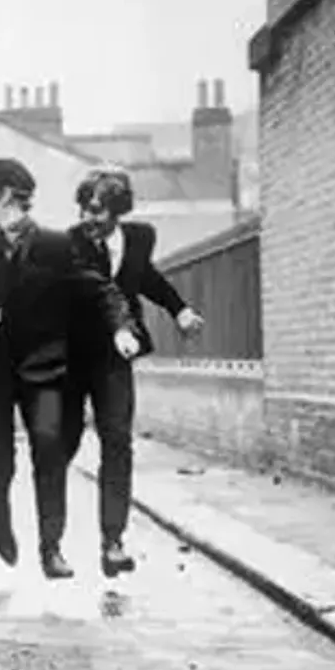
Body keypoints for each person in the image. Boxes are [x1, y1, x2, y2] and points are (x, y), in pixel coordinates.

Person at [0, 158, 132, 580]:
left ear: (5, 196)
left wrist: (121, 328)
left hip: (43, 373)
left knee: (49, 451)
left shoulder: (55, 245)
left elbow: (100, 289)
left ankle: (51, 548)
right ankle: (1, 520)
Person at [64, 166, 204, 577]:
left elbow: (147, 279)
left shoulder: (140, 238)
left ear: (118, 211)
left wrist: (179, 309)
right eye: (84, 209)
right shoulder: (70, 244)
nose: (88, 218)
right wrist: (118, 327)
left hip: (113, 360)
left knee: (118, 443)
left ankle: (113, 541)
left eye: (97, 211)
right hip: (74, 355)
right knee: (60, 443)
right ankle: (51, 535)